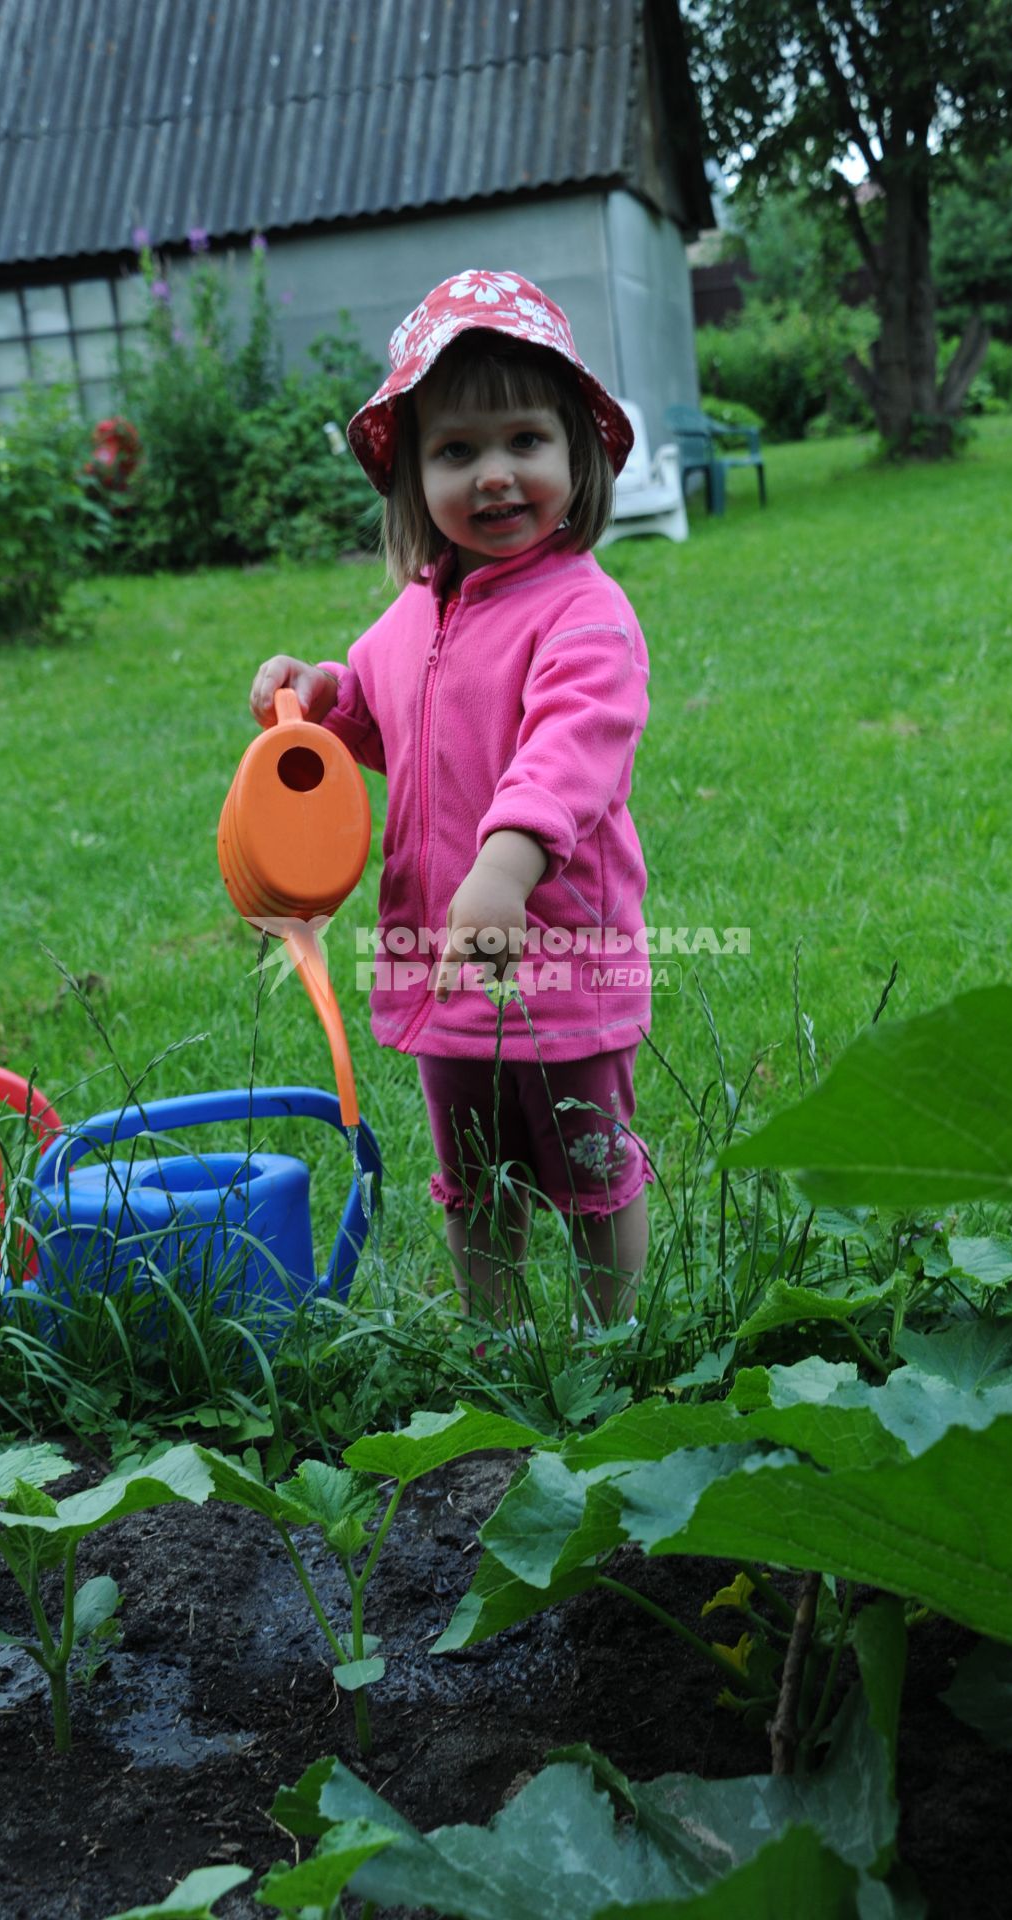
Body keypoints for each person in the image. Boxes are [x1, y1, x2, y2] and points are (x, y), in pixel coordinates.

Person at [250, 269, 653, 1327]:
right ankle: (496, 1339)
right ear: (413, 477)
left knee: (588, 1161)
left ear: (576, 450)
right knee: (474, 1172)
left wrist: (504, 868)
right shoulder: (408, 621)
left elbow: (569, 754)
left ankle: (617, 1344)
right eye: (457, 451)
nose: (495, 475)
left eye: (525, 441)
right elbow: (377, 724)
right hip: (441, 955)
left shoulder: (584, 618)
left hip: (560, 954)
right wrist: (312, 702)